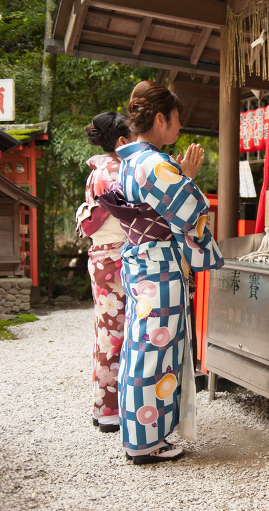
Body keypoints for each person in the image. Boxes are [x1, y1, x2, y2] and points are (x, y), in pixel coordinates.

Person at [109, 81, 223, 464]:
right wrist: (187, 178)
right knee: (156, 351)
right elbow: (191, 211)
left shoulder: (130, 161)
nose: (178, 127)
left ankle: (137, 433)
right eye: (175, 120)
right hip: (159, 269)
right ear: (160, 119)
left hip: (142, 263)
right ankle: (146, 442)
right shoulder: (154, 163)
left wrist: (181, 174)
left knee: (140, 348)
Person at [76, 112, 136, 433]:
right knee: (117, 335)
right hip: (116, 255)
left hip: (101, 255)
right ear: (123, 141)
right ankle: (111, 410)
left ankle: (103, 407)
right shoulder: (117, 169)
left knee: (106, 332)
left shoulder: (97, 170)